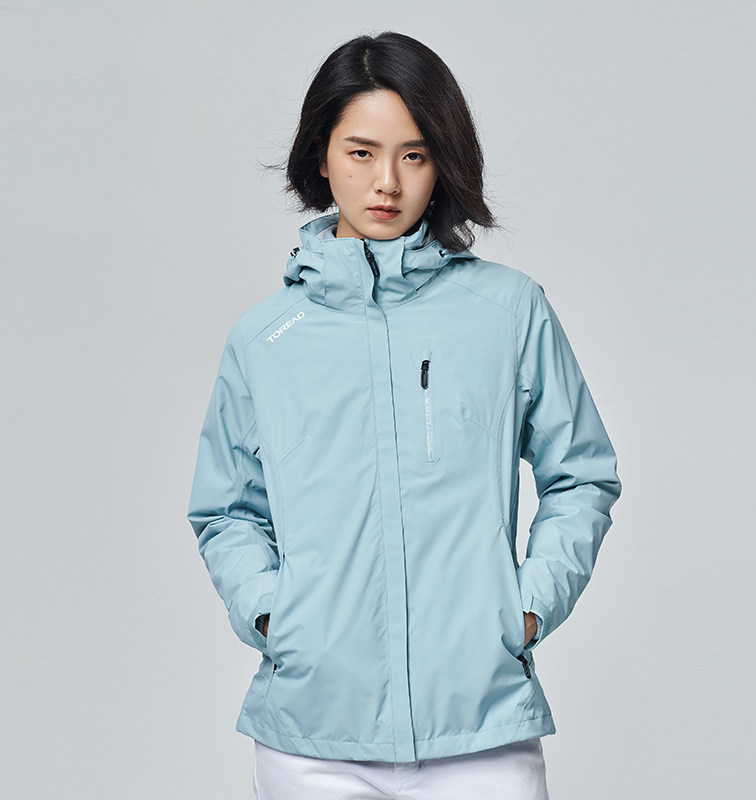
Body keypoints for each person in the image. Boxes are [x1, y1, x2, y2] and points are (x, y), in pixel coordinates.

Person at [187, 31, 621, 800]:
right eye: (361, 152)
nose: (387, 181)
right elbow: (226, 510)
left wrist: (525, 608)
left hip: (481, 728)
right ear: (321, 157)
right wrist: (274, 618)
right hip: (312, 737)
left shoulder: (508, 310)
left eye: (414, 155)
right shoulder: (265, 339)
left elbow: (582, 475)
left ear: (442, 162)